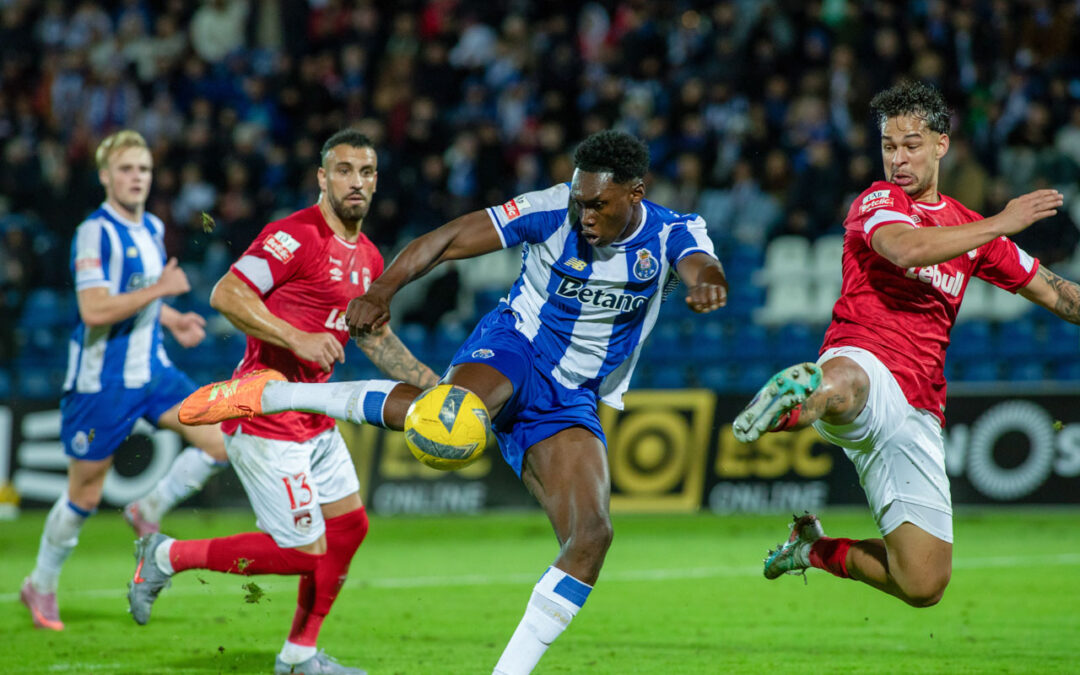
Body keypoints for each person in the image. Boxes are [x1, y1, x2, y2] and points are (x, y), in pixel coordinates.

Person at [175, 130, 727, 674]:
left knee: (591, 539)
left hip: (572, 397)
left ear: (635, 192)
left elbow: (700, 264)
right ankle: (276, 394)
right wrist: (382, 290)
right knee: (449, 422)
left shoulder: (673, 232)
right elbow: (447, 239)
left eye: (597, 205)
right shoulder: (550, 208)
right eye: (580, 201)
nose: (584, 215)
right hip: (515, 347)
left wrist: (707, 283)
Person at [732, 81, 1069, 607]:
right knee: (847, 383)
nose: (898, 159)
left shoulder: (972, 233)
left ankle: (811, 549)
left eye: (911, 144)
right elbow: (906, 249)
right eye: (889, 146)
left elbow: (1060, 296)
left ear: (942, 144)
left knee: (923, 584)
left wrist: (993, 230)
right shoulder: (878, 202)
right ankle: (793, 405)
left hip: (919, 409)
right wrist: (1002, 221)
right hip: (864, 358)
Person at [127, 128, 437, 675]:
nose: (356, 181)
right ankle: (166, 555)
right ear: (322, 177)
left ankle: (298, 657)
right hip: (266, 415)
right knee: (300, 552)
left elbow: (372, 337)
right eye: (343, 170)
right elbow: (227, 292)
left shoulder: (368, 257)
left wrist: (433, 388)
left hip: (314, 419)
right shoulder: (295, 236)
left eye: (366, 172)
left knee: (350, 527)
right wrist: (295, 338)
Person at [20, 130, 229, 631]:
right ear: (105, 176)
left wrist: (170, 316)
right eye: (127, 169)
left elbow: (137, 296)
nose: (137, 178)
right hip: (102, 384)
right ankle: (41, 585)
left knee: (222, 442)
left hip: (153, 373)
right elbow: (93, 309)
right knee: (85, 496)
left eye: (144, 169)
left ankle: (147, 508)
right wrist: (160, 289)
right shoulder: (95, 232)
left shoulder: (153, 227)